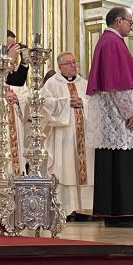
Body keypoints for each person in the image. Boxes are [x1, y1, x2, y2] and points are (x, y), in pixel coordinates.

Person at [87, 7, 133, 227]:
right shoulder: (113, 43)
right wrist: (132, 111)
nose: (131, 26)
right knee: (123, 164)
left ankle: (115, 213)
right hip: (118, 119)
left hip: (114, 116)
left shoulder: (107, 41)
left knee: (115, 164)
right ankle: (123, 213)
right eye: (129, 22)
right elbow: (118, 83)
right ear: (118, 21)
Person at [40, 52, 92, 218]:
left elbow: (95, 103)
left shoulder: (84, 83)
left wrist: (82, 102)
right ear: (60, 67)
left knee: (86, 170)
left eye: (74, 63)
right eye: (68, 64)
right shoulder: (52, 83)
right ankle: (65, 209)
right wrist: (65, 102)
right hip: (64, 135)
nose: (73, 66)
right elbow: (44, 103)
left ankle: (85, 209)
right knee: (65, 169)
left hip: (83, 133)